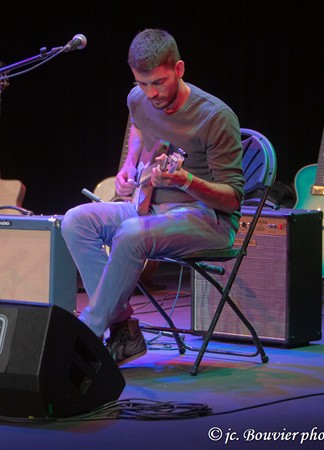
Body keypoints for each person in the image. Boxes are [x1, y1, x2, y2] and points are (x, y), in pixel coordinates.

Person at [61, 29, 244, 366]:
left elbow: (232, 200)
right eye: (142, 84)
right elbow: (140, 124)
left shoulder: (216, 117)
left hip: (207, 219)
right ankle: (123, 330)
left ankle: (88, 337)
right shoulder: (138, 99)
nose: (151, 93)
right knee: (75, 221)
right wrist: (131, 164)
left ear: (179, 68)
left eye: (158, 82)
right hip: (149, 207)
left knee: (131, 235)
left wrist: (187, 180)